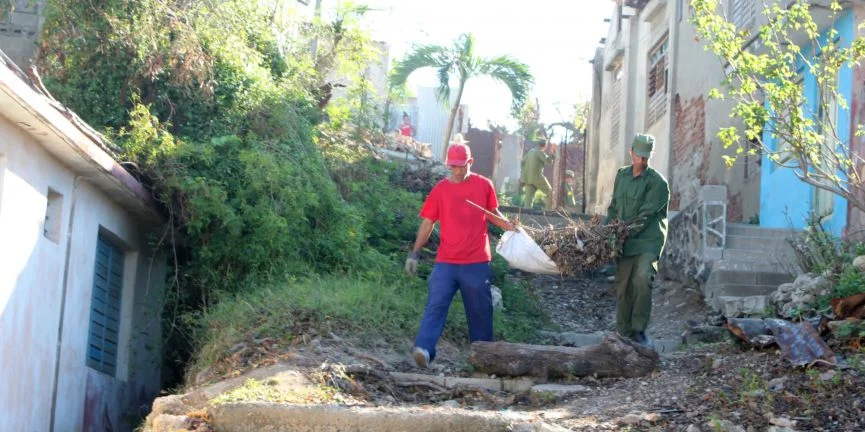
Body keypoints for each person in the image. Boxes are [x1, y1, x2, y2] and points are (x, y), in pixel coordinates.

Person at [404, 133, 517, 368]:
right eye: (453, 166)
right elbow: (427, 223)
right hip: (446, 263)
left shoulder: (483, 185)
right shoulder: (440, 190)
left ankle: (484, 359)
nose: (456, 171)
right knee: (436, 304)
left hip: (476, 263)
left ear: (470, 162)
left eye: (461, 166)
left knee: (480, 312)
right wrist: (414, 253)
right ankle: (424, 350)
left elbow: (492, 214)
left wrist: (510, 226)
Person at [605, 133, 670, 347]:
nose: (641, 160)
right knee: (623, 286)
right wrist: (604, 232)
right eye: (638, 155)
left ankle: (639, 331)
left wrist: (621, 233)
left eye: (645, 157)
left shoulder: (658, 183)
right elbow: (614, 208)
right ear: (631, 152)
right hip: (625, 242)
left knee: (642, 279)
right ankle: (623, 334)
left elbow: (645, 216)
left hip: (648, 241)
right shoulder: (622, 176)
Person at [520, 141, 552, 209]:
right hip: (537, 178)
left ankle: (526, 214)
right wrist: (552, 154)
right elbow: (548, 162)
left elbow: (522, 162)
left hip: (528, 178)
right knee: (551, 193)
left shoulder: (530, 151)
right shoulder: (539, 152)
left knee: (528, 201)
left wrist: (524, 174)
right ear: (545, 146)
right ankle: (548, 211)